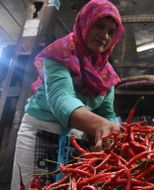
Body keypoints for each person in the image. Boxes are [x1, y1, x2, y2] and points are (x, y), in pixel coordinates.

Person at [11, 0, 124, 189]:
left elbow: (106, 112)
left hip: (75, 140)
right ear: (86, 22)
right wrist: (101, 125)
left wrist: (110, 132)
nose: (105, 35)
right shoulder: (60, 52)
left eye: (111, 32)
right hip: (40, 131)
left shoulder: (107, 73)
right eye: (99, 25)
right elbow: (61, 99)